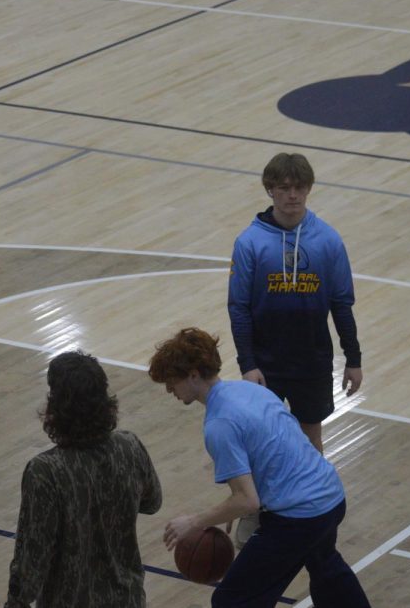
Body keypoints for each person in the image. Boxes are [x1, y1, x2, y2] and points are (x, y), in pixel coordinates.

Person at [149, 328, 370, 608]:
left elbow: (247, 499)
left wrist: (194, 522)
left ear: (193, 375)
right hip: (330, 496)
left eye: (172, 382)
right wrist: (235, 504)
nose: (170, 391)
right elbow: (277, 447)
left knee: (231, 601)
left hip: (299, 517)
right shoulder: (248, 390)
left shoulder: (220, 424)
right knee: (326, 570)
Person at [228, 153, 362, 456]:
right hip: (266, 363)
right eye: (285, 188)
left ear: (308, 189)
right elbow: (239, 308)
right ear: (270, 190)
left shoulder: (327, 240)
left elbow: (342, 304)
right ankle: (265, 502)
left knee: (311, 439)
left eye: (300, 188)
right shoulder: (250, 243)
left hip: (311, 361)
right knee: (263, 442)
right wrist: (248, 365)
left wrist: (353, 359)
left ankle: (315, 500)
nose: (293, 195)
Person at [4, 351, 162, 608]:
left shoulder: (45, 471)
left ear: (56, 405)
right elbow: (152, 503)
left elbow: (32, 558)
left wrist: (15, 603)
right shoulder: (129, 446)